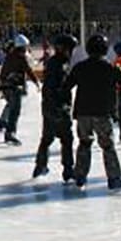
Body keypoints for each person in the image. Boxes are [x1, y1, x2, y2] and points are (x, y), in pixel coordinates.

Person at [63, 35, 121, 190]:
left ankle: (80, 176)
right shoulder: (110, 68)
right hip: (103, 113)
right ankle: (114, 178)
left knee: (84, 144)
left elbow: (66, 86)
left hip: (83, 113)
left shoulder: (80, 67)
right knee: (107, 146)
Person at [33, 35, 78, 182]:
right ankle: (67, 169)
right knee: (65, 138)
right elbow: (53, 87)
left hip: (51, 105)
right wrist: (59, 106)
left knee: (48, 137)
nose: (71, 52)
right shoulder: (58, 64)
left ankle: (41, 166)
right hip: (57, 105)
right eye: (70, 49)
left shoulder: (58, 62)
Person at [0, 35, 40, 146]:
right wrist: (36, 82)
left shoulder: (10, 55)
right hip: (14, 86)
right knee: (15, 110)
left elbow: (3, 72)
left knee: (11, 108)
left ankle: (4, 125)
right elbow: (28, 70)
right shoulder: (20, 56)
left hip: (7, 86)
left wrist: (1, 85)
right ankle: (10, 133)